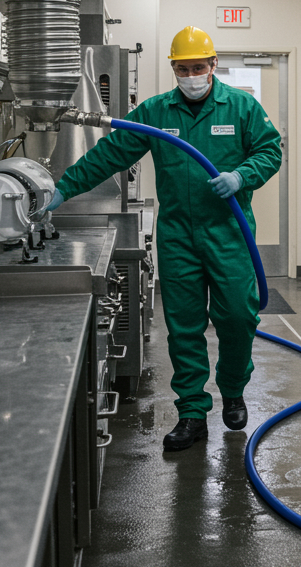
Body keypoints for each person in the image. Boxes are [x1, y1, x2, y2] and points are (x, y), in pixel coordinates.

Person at [46, 25, 283, 451]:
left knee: (237, 317)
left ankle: (232, 390)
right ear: (173, 68)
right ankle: (192, 411)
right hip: (178, 235)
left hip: (229, 233)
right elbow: (109, 154)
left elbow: (270, 150)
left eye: (198, 66)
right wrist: (62, 188)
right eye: (182, 68)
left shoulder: (242, 107)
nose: (191, 74)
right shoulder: (156, 112)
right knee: (185, 325)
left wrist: (241, 176)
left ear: (213, 65)